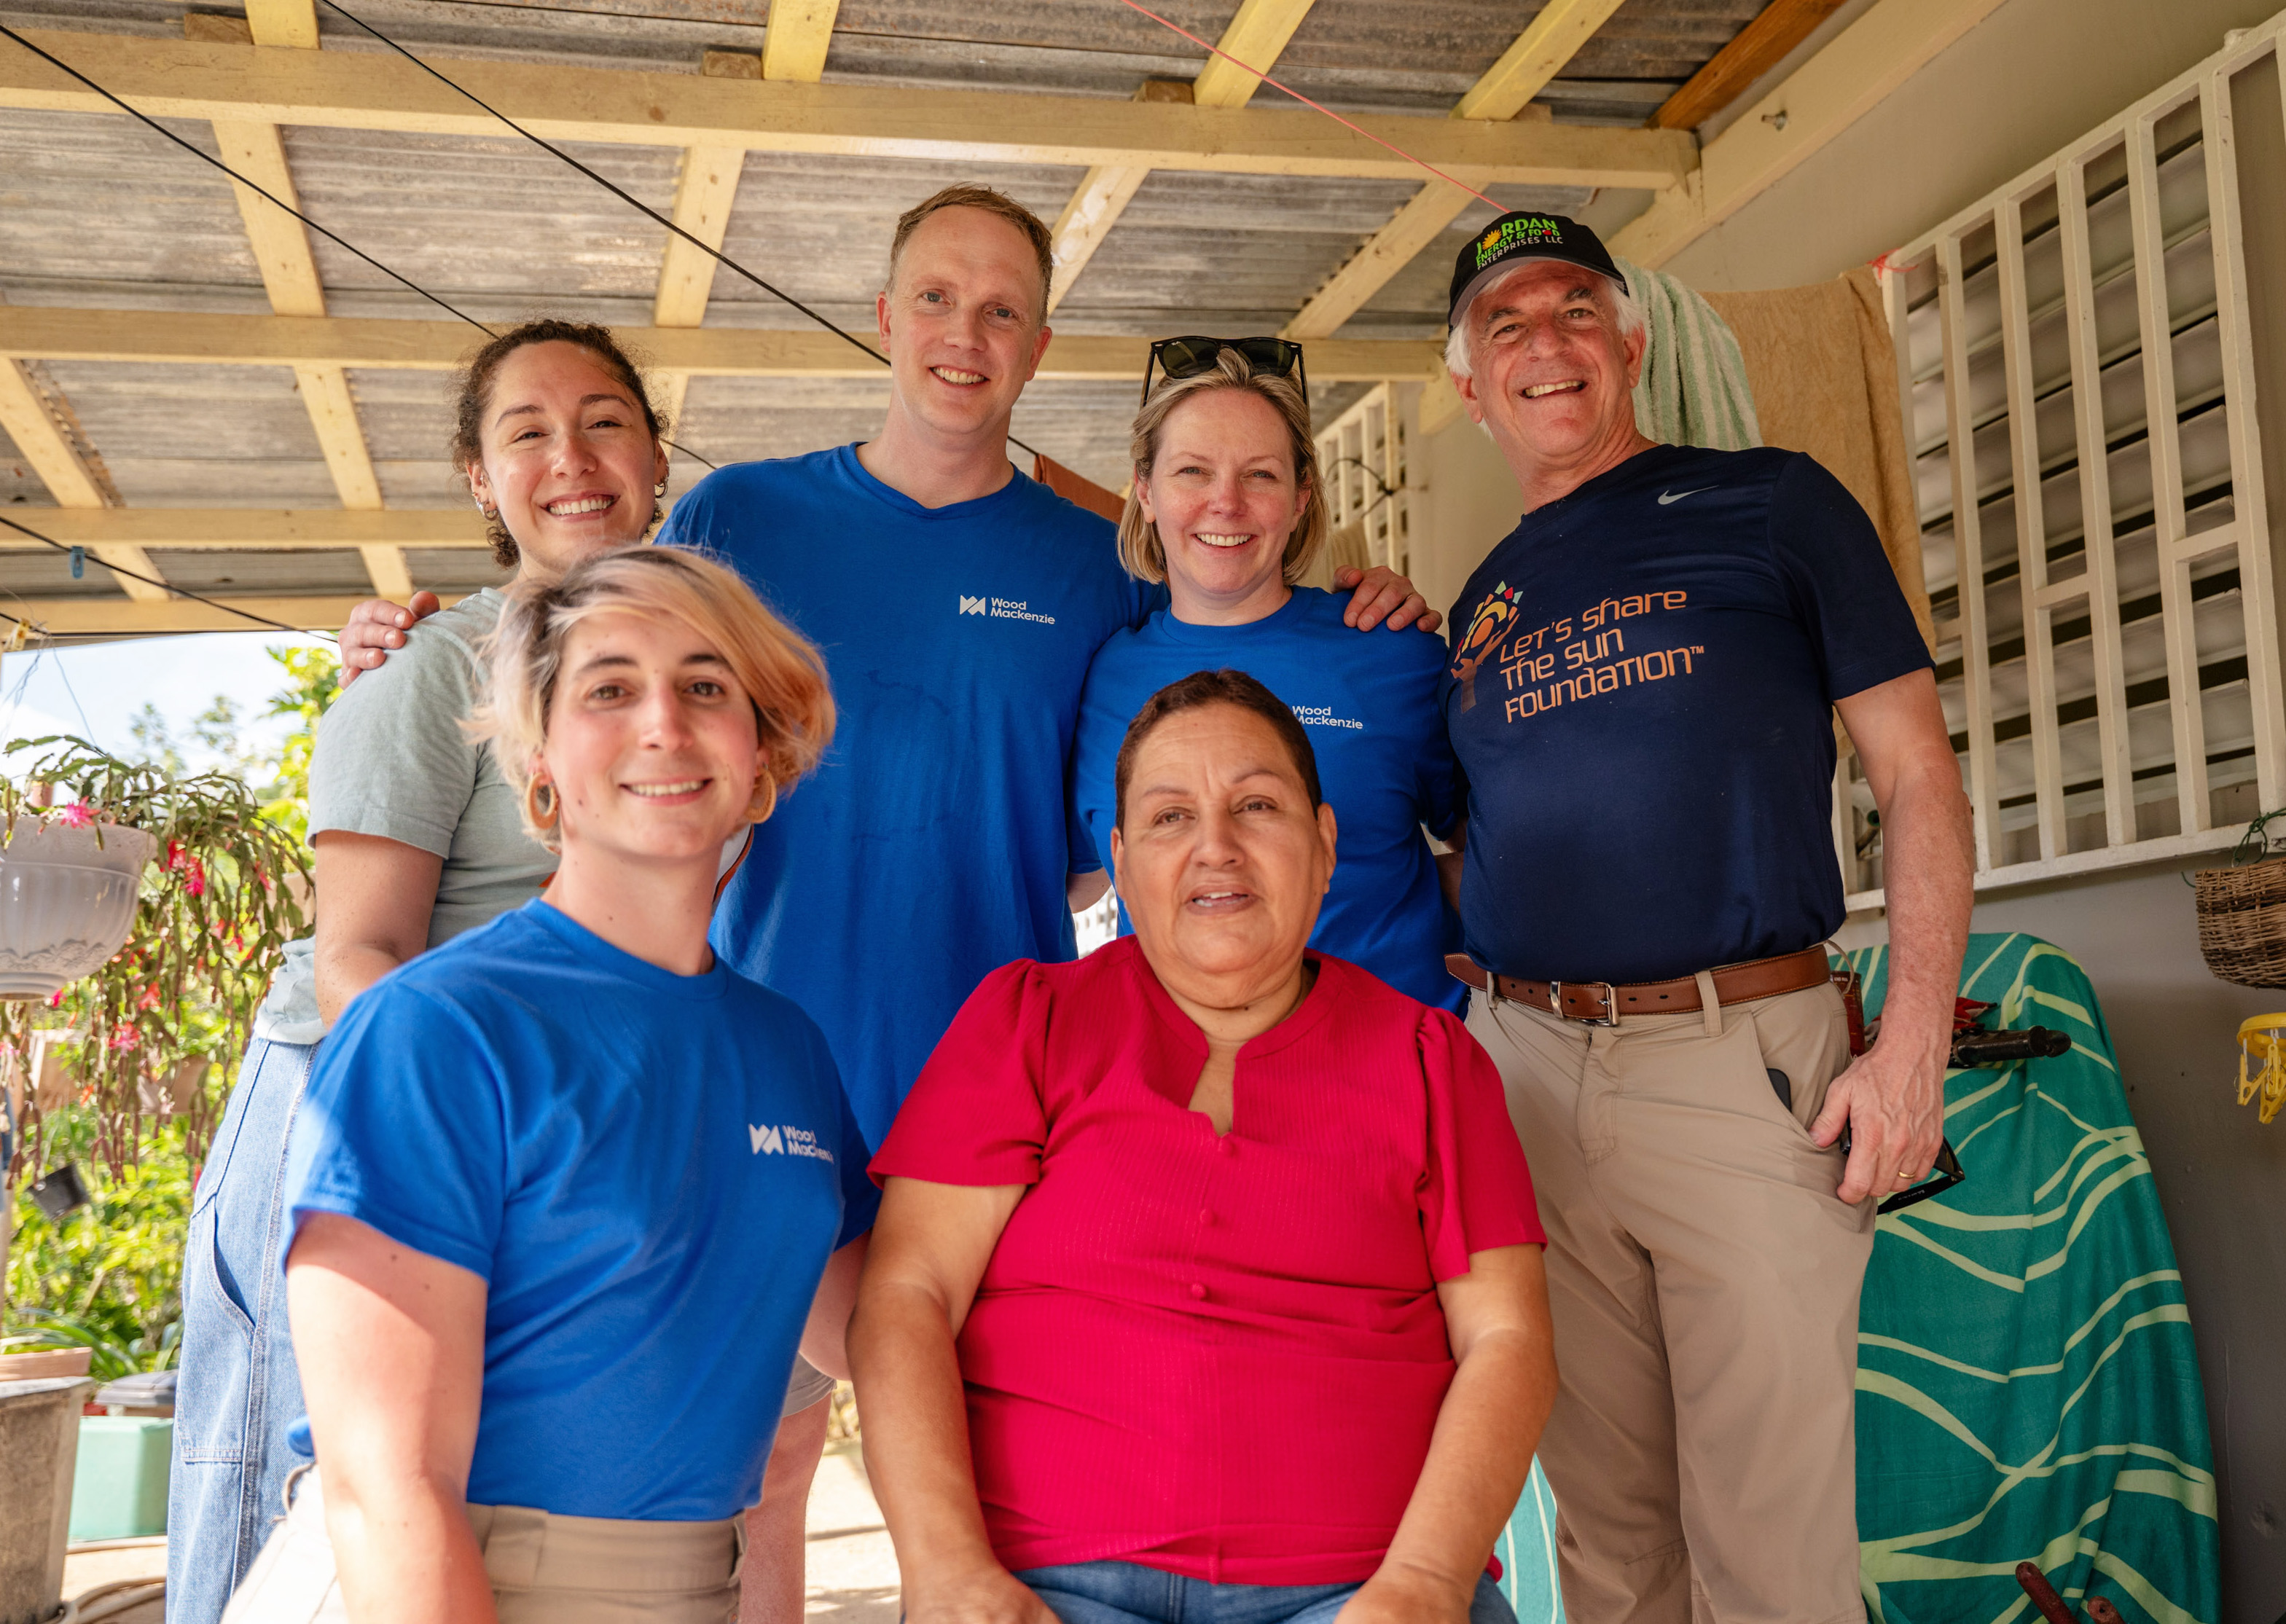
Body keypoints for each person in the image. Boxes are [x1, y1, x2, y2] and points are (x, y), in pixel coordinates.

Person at [1436, 211, 1973, 1620]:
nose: (1544, 341)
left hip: (1744, 1062)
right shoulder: (1479, 602)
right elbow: (1452, 839)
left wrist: (1910, 1041)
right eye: (1506, 323)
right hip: (1530, 1074)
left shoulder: (1772, 502)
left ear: (1629, 340)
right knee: (1610, 1547)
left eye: (1572, 309)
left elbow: (1917, 771)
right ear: (1467, 385)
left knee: (1770, 1556)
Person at [223, 546, 874, 1624]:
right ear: (539, 767)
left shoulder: (788, 1051)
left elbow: (885, 1330)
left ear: (763, 761)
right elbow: (385, 1487)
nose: (663, 723)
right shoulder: (435, 1030)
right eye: (609, 689)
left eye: (706, 687)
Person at [850, 668, 1557, 1624]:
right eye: (1170, 817)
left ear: (1323, 843)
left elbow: (1507, 1339)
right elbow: (906, 1294)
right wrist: (945, 1573)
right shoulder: (1028, 1021)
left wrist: (1423, 1585)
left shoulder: (1431, 1061)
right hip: (1043, 1590)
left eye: (1255, 805)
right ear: (1121, 859)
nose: (1214, 847)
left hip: (1359, 1595)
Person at [169, 318, 676, 1624]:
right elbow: (361, 951)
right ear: (477, 476)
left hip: (519, 1121)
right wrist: (459, 1137)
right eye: (527, 433)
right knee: (293, 1505)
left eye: (605, 419)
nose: (572, 457)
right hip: (352, 1098)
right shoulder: (430, 673)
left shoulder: (667, 675)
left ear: (658, 454)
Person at [1070, 342, 1463, 1010]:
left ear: (1301, 495)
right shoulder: (1098, 673)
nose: (1226, 503)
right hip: (1182, 1085)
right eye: (1193, 470)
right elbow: (1078, 881)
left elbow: (1489, 857)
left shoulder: (1391, 649)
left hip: (1387, 1079)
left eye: (1259, 474)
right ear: (1145, 489)